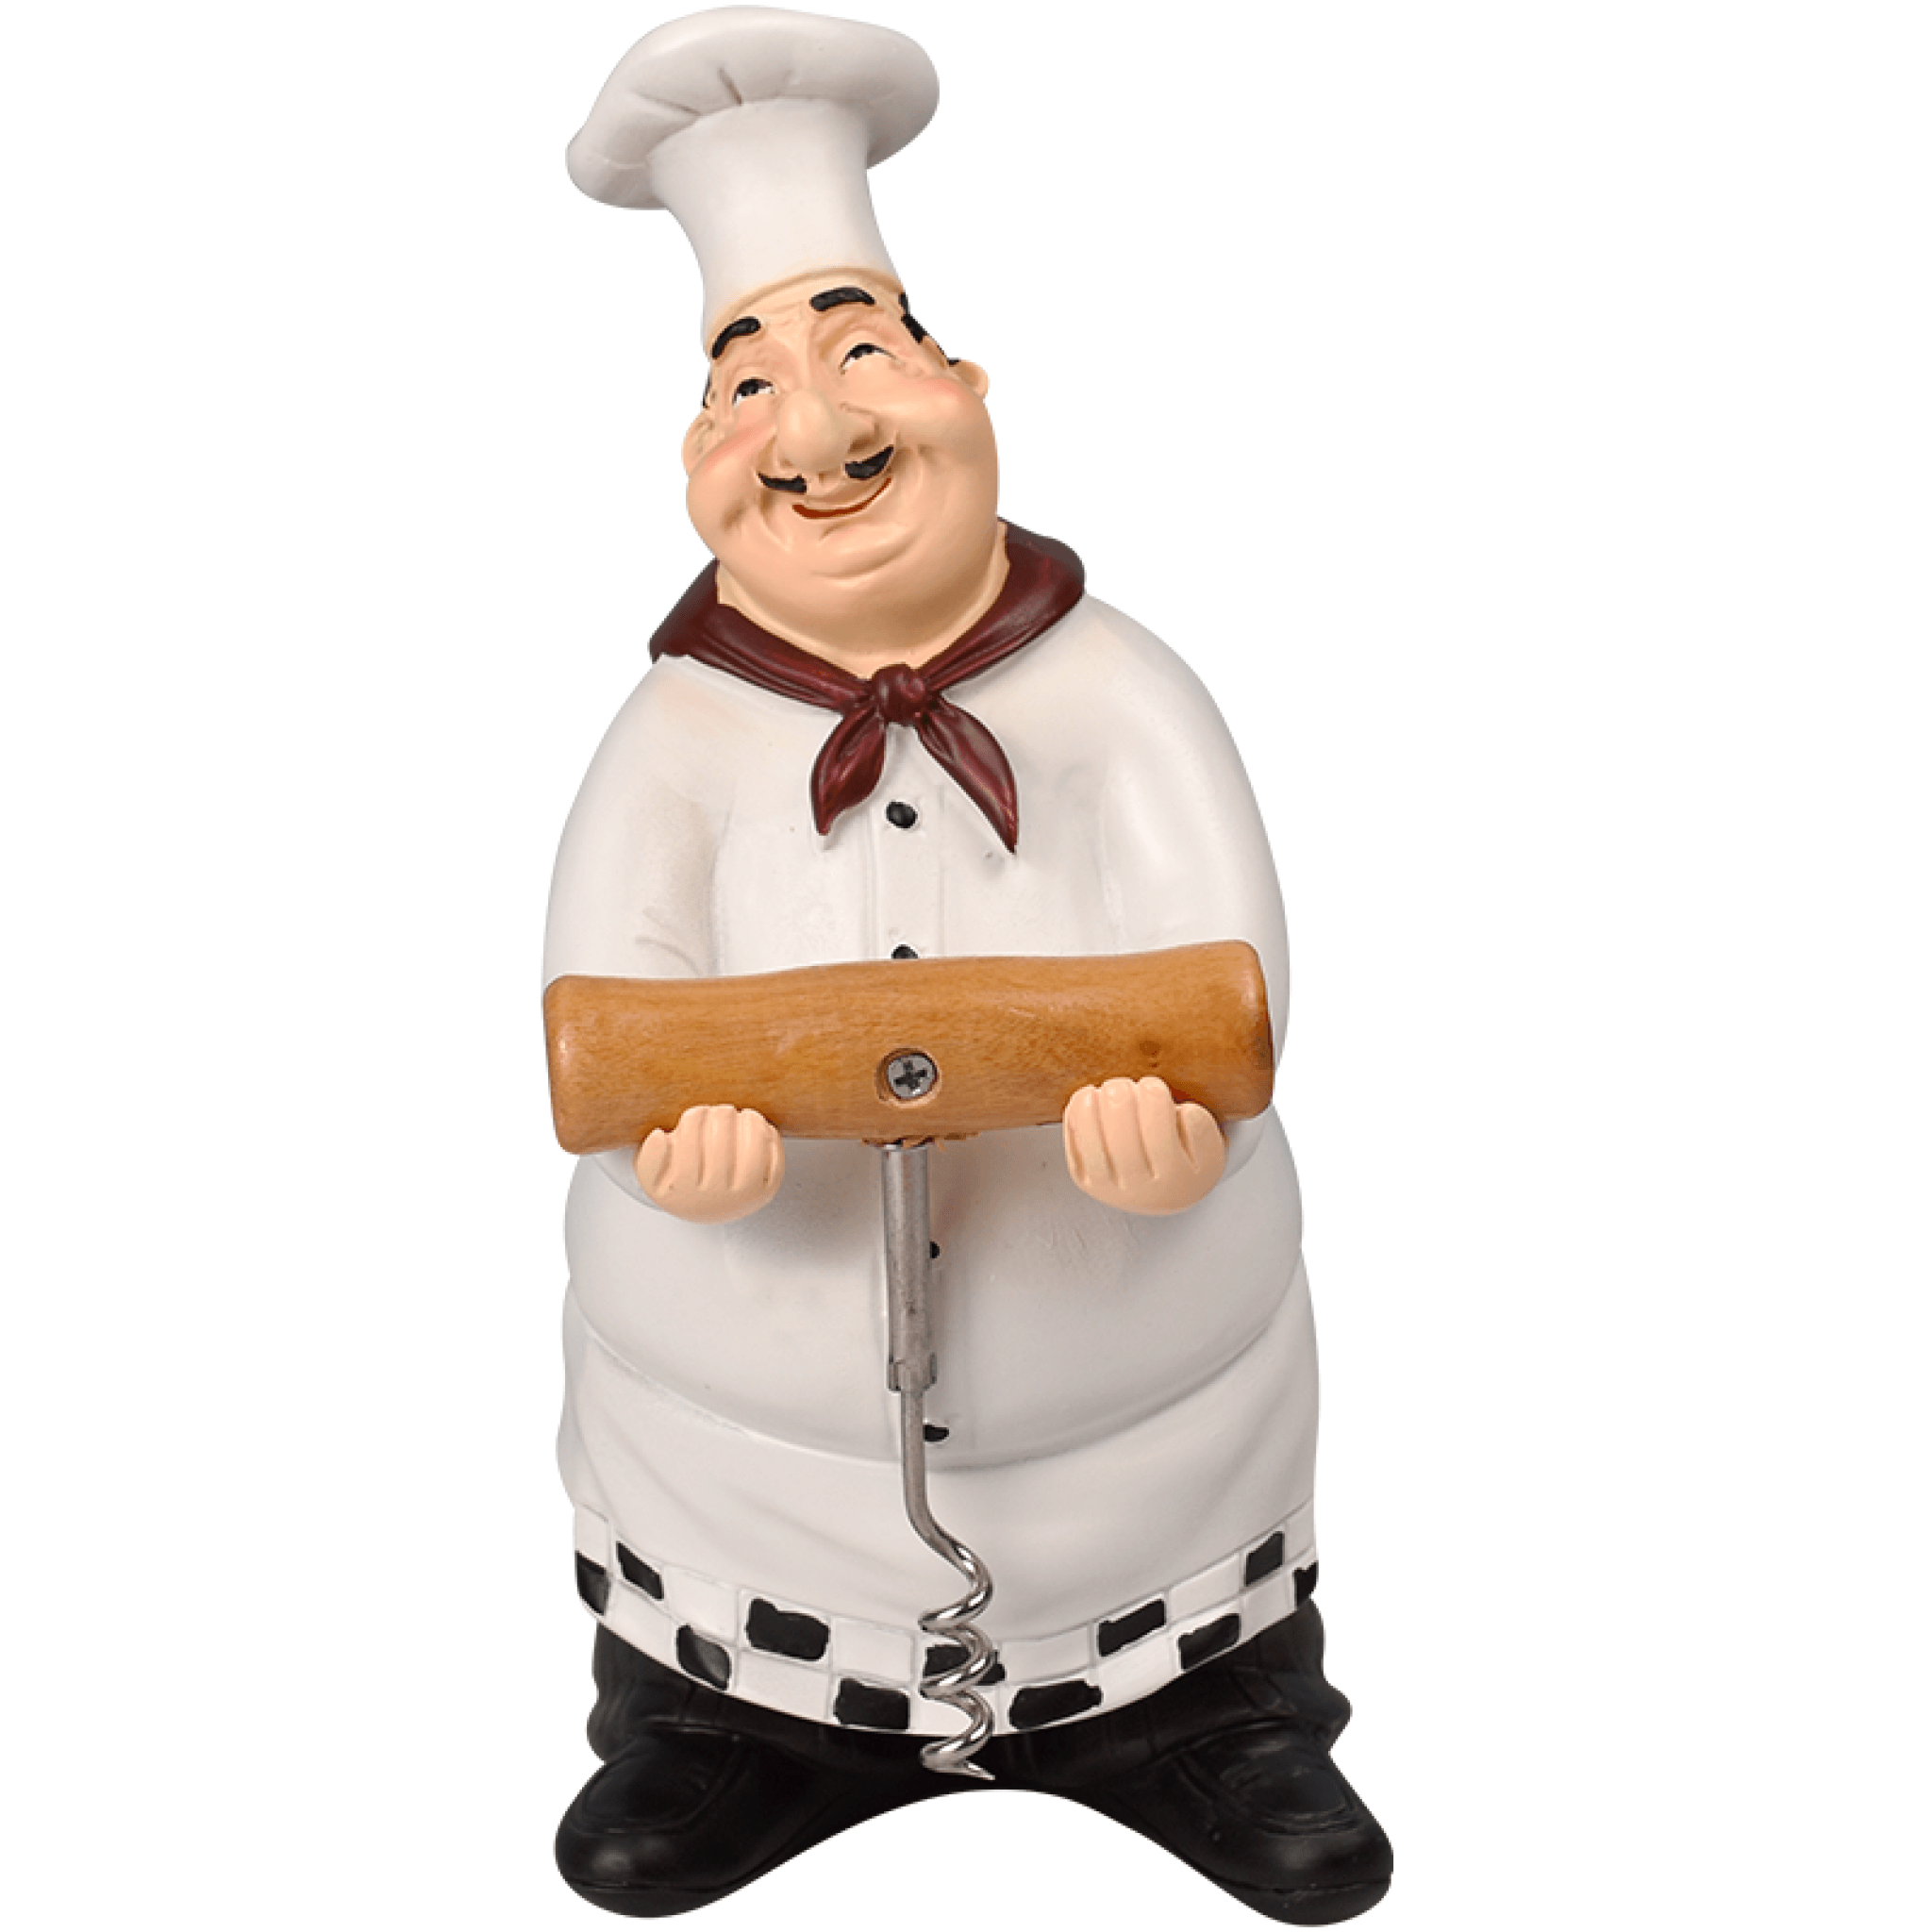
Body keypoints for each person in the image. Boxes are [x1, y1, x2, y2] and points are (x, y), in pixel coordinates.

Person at [544, 11, 1391, 1924]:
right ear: (696, 454)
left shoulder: (1125, 691)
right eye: (747, 386)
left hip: (1144, 1429)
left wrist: (1182, 1128)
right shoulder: (670, 739)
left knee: (1169, 1582)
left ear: (960, 382)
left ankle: (1203, 1716)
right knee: (739, 1604)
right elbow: (610, 1013)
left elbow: (1227, 970)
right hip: (744, 1456)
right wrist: (672, 1157)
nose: (813, 433)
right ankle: (727, 1726)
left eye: (859, 354)